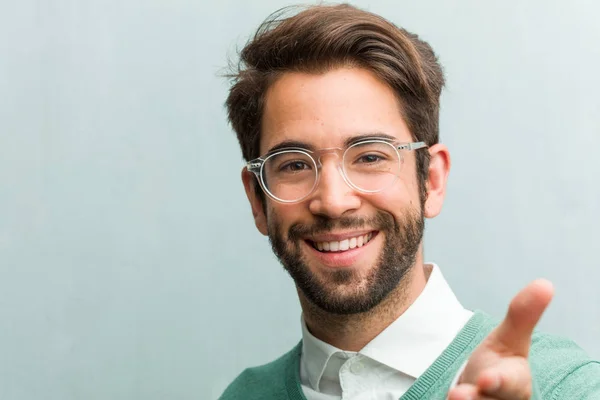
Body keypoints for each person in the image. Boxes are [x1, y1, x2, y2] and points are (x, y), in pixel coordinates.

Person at [219, 4, 600, 399]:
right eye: (295, 164)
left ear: (431, 180)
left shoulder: (568, 387)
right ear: (257, 200)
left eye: (370, 156)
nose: (333, 201)